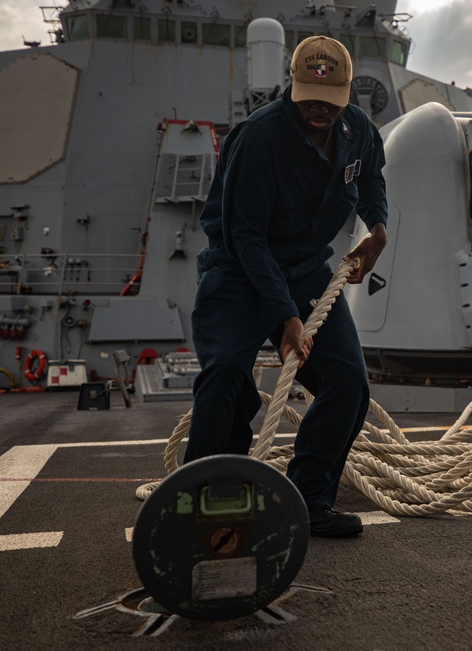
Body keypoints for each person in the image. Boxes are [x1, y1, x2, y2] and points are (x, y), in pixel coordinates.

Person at [185, 36, 388, 538]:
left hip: (305, 271)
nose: (318, 109)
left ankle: (309, 500)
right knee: (226, 377)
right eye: (308, 98)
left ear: (345, 95)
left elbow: (372, 177)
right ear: (291, 87)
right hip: (238, 272)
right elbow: (246, 237)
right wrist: (286, 316)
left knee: (348, 384)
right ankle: (203, 503)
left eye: (330, 100)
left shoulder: (357, 129)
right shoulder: (258, 138)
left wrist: (377, 230)